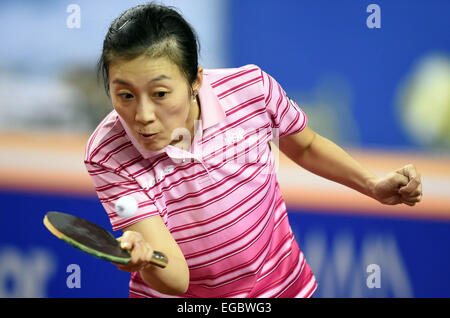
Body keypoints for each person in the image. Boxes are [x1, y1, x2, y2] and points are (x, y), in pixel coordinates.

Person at [84, 3, 422, 298]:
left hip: (282, 288)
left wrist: (372, 185)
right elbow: (177, 278)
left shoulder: (252, 89)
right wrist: (146, 261)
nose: (142, 116)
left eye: (160, 94)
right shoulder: (108, 153)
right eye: (125, 95)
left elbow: (305, 146)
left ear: (195, 81)